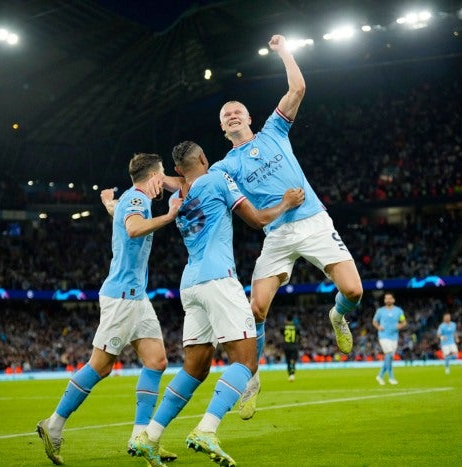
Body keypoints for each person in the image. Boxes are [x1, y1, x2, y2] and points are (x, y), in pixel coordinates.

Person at [165, 34, 363, 419]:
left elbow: (298, 87)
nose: (232, 116)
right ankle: (251, 378)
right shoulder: (224, 166)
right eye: (225, 116)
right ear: (222, 129)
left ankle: (337, 315)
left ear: (249, 117)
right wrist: (163, 182)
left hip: (314, 222)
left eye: (237, 111)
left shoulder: (275, 130)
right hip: (278, 234)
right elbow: (194, 181)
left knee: (353, 290)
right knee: (255, 310)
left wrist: (282, 50)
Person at [129, 141, 304, 467]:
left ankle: (149, 436)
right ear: (204, 158)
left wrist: (169, 179)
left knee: (195, 368)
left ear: (178, 170)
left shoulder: (177, 197)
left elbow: (184, 182)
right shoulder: (219, 180)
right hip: (219, 280)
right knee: (246, 361)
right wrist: (285, 203)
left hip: (191, 284)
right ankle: (207, 429)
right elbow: (256, 220)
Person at [35, 153, 181, 466]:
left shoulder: (131, 199)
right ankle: (54, 424)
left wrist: (108, 206)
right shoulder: (138, 200)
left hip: (137, 297)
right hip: (123, 298)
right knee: (100, 366)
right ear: (154, 176)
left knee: (156, 362)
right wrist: (169, 217)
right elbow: (132, 228)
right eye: (163, 175)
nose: (164, 180)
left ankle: (140, 439)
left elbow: (123, 217)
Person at [372, 292, 407, 385]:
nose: (388, 300)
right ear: (384, 300)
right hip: (383, 336)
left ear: (393, 300)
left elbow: (404, 322)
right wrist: (379, 327)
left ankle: (380, 376)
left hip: (394, 336)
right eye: (386, 298)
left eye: (390, 298)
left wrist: (400, 325)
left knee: (389, 357)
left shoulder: (399, 311)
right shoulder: (380, 311)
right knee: (390, 355)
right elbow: (374, 321)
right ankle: (391, 377)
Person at [282, 314, 301, 382]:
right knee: (293, 360)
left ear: (287, 319)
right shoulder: (296, 327)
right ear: (292, 320)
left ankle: (290, 375)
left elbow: (282, 334)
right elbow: (299, 336)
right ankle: (292, 373)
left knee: (288, 361)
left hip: (286, 346)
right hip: (294, 346)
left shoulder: (283, 327)